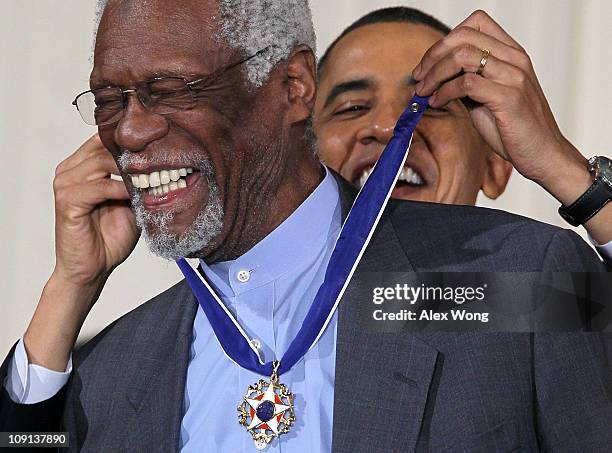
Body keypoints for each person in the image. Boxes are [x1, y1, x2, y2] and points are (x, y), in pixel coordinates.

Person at [0, 1, 610, 452]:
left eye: (172, 91)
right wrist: (68, 287)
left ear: (292, 87)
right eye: (111, 100)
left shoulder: (511, 287)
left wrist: (574, 178)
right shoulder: (112, 363)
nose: (130, 131)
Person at [313, 7, 612, 261]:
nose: (389, 127)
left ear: (494, 166)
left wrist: (562, 168)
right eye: (352, 107)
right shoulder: (270, 296)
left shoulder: (531, 291)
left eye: (427, 106)